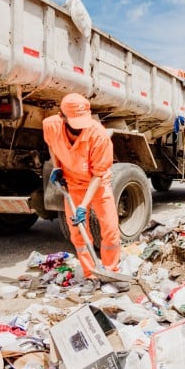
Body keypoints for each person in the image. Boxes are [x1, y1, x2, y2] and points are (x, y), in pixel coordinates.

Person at [42, 93, 122, 293]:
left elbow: (97, 175)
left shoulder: (99, 136)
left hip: (98, 185)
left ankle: (111, 271)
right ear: (62, 117)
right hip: (73, 185)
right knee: (78, 233)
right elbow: (52, 145)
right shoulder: (51, 125)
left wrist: (83, 205)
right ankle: (91, 275)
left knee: (110, 229)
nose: (79, 128)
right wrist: (56, 167)